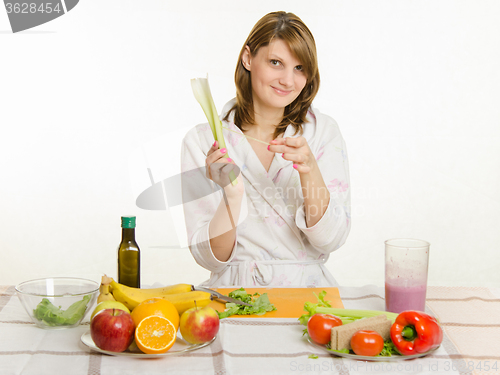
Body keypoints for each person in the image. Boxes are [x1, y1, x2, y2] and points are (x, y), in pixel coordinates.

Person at [181, 11, 350, 287]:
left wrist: (309, 170)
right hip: (234, 294)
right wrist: (232, 197)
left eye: (299, 68)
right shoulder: (203, 142)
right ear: (248, 58)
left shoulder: (323, 133)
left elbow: (332, 239)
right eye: (275, 62)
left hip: (307, 294)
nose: (288, 80)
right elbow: (208, 258)